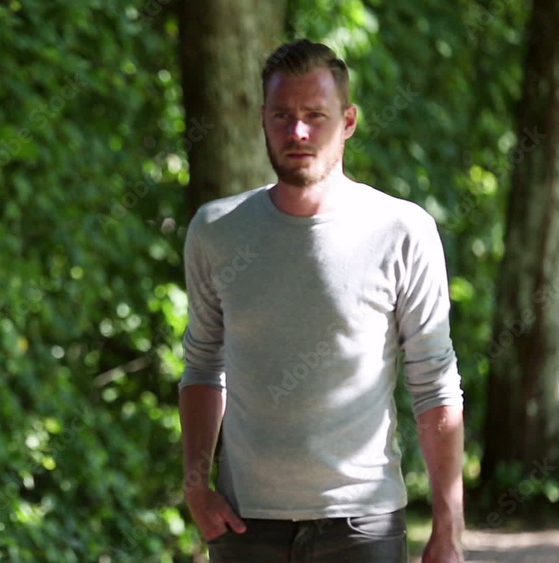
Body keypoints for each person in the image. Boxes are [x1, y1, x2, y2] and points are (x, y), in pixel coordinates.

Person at [179, 39, 465, 563]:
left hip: (363, 524)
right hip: (245, 525)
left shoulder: (402, 231)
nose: (299, 132)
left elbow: (435, 383)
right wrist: (196, 486)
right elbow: (201, 366)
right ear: (262, 120)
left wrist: (449, 528)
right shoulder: (217, 230)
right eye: (282, 116)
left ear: (348, 121)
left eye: (316, 115)